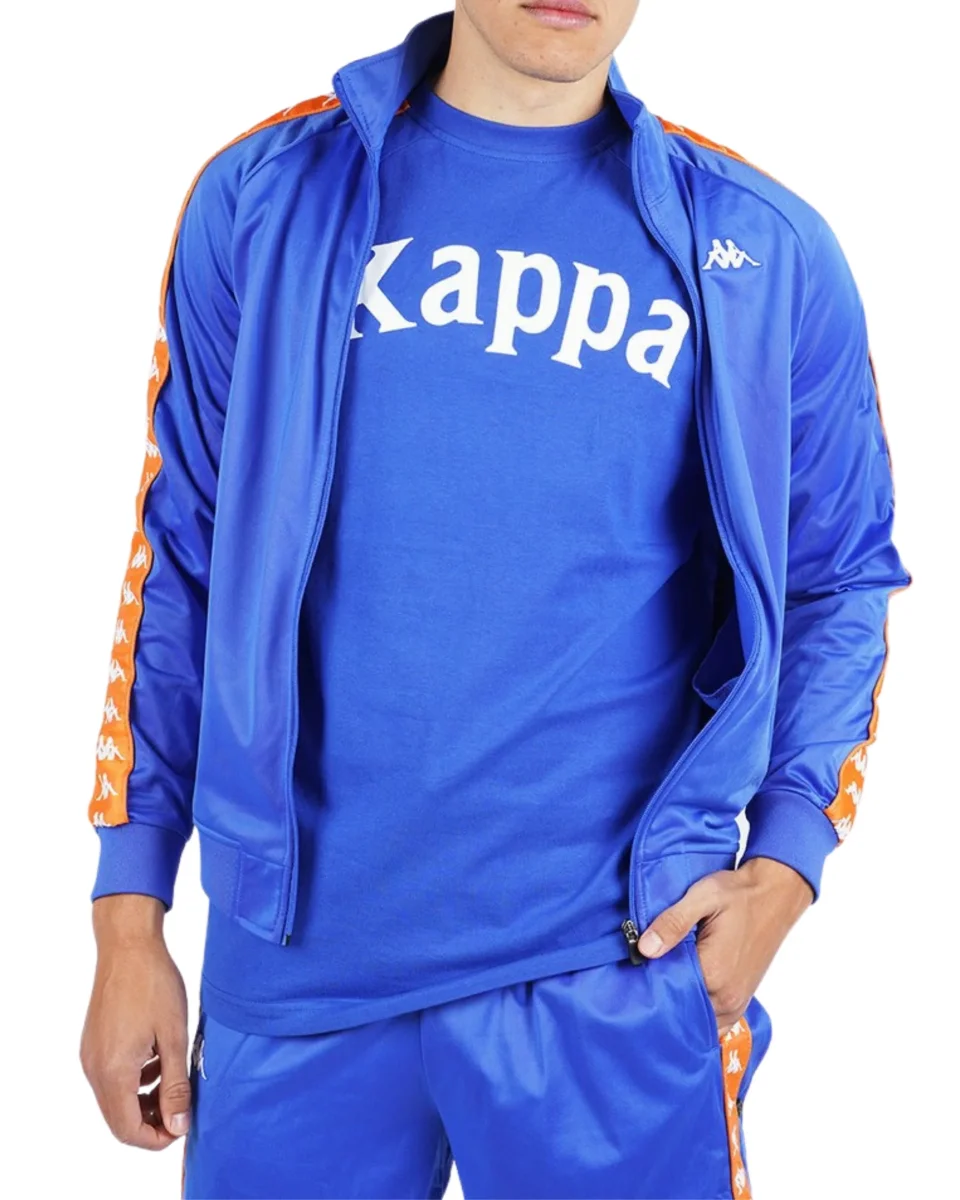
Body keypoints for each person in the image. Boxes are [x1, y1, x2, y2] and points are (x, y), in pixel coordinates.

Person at [79, 4, 911, 1198]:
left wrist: (787, 862)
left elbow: (840, 577)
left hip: (613, 974)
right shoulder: (265, 199)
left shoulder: (759, 248)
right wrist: (129, 912)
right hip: (296, 974)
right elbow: (179, 565)